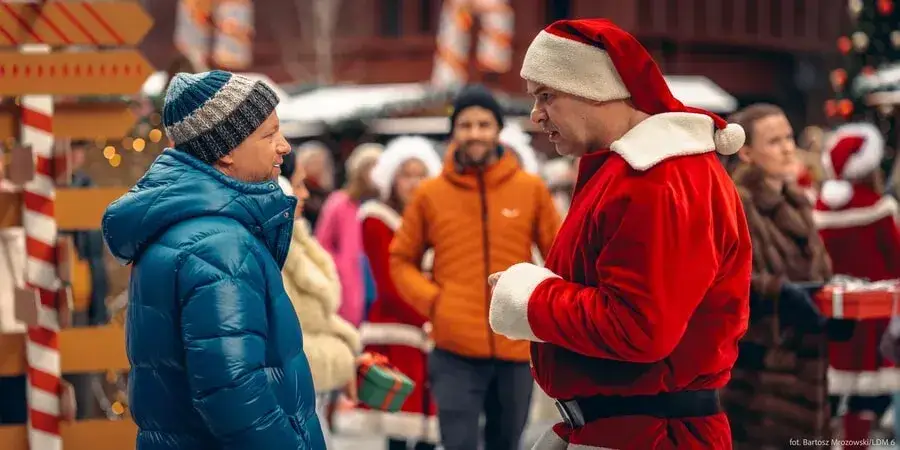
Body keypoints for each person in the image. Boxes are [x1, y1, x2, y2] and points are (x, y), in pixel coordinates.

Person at [486, 19, 752, 449]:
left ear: (596, 90)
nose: (536, 115)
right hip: (628, 428)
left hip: (653, 434)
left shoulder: (657, 177)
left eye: (546, 95)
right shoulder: (638, 172)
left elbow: (638, 326)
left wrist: (530, 297)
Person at [102, 71, 325, 449]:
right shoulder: (220, 245)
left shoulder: (184, 227)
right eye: (269, 134)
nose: (284, 146)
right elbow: (234, 392)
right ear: (226, 150)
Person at [390, 85, 561, 450]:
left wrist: (542, 305)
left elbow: (561, 254)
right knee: (459, 443)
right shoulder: (430, 194)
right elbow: (400, 258)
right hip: (454, 350)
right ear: (454, 131)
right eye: (466, 125)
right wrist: (435, 302)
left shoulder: (530, 190)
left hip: (515, 346)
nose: (475, 133)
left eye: (484, 124)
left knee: (506, 443)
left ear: (498, 130)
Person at [721, 103, 831, 448]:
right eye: (774, 141)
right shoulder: (736, 202)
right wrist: (780, 293)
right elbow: (725, 280)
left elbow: (818, 271)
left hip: (808, 375)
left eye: (789, 137)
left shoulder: (796, 202)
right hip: (760, 382)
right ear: (748, 152)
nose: (787, 148)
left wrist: (833, 307)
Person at [345, 135, 442, 450]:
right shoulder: (376, 217)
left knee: (429, 428)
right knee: (399, 427)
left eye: (420, 174)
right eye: (406, 174)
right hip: (399, 328)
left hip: (432, 327)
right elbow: (388, 284)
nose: (413, 182)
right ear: (391, 177)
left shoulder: (435, 217)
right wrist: (430, 318)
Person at [813, 122, 900, 450]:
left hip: (834, 308)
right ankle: (856, 443)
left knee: (837, 383)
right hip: (878, 310)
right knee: (870, 389)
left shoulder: (819, 208)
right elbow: (895, 260)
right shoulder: (878, 207)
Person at [279, 153, 362, 448]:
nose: (304, 194)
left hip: (306, 395)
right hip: (291, 398)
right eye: (298, 185)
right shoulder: (278, 248)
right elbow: (292, 337)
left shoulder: (296, 239)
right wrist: (345, 359)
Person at [315, 143, 383, 328]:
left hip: (378, 273)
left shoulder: (386, 204)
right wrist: (339, 265)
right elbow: (322, 243)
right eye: (370, 167)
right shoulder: (340, 202)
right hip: (350, 279)